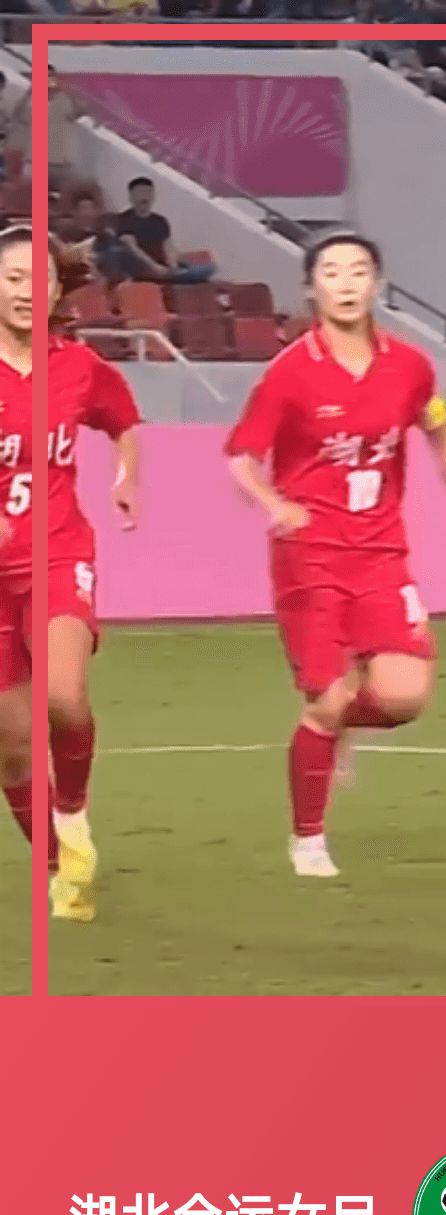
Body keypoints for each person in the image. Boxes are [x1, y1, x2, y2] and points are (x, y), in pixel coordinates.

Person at [224, 232, 446, 879]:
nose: (346, 283)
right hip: (309, 555)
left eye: (358, 271)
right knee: (326, 699)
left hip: (380, 552)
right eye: (331, 272)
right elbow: (241, 458)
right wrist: (273, 504)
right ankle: (309, 841)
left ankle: (339, 726)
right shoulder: (290, 373)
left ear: (376, 284)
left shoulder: (411, 368)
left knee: (404, 697)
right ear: (310, 289)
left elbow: (441, 437)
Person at [0, 226, 141, 924]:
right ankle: (62, 867)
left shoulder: (80, 367)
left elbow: (123, 421)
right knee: (12, 748)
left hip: (58, 551)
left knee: (62, 693)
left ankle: (74, 811)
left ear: (59, 289)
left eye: (40, 278)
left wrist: (125, 476)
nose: (27, 291)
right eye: (13, 278)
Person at [112, 177, 216, 285]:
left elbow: (168, 247)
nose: (145, 196)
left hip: (164, 269)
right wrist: (154, 267)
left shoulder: (160, 221)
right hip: (143, 271)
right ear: (131, 196)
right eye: (140, 192)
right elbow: (132, 249)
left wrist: (173, 265)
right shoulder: (123, 220)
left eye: (148, 192)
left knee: (208, 270)